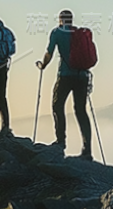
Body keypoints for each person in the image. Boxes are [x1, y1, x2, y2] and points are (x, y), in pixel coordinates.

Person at [36, 9, 93, 158]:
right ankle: (87, 149)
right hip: (82, 75)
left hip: (65, 75)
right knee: (81, 110)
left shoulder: (56, 33)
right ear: (72, 20)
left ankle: (61, 141)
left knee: (57, 105)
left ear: (60, 20)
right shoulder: (79, 33)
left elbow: (49, 52)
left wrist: (43, 65)